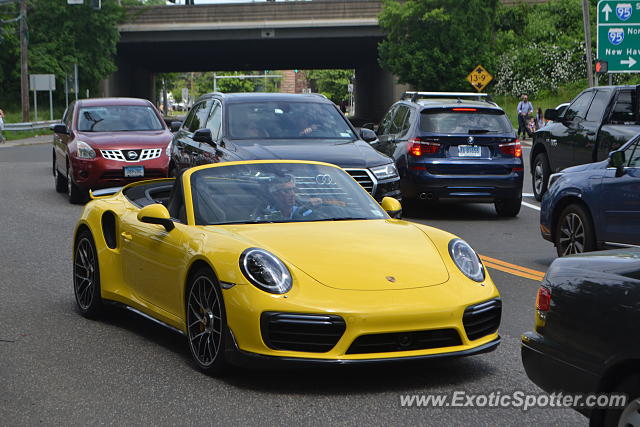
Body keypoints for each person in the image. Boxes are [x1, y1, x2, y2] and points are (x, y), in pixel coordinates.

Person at [257, 174, 322, 220]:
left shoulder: (306, 212)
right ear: (275, 194)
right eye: (286, 191)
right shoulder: (266, 215)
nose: (292, 194)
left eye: (293, 189)